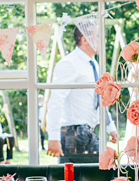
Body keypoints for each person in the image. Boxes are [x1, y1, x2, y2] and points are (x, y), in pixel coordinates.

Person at [45, 27, 118, 163]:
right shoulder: (69, 63)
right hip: (72, 134)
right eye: (98, 36)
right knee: (74, 180)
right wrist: (53, 137)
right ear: (85, 39)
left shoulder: (94, 64)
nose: (104, 39)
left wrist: (110, 127)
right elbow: (56, 101)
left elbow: (99, 98)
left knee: (101, 172)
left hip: (88, 132)